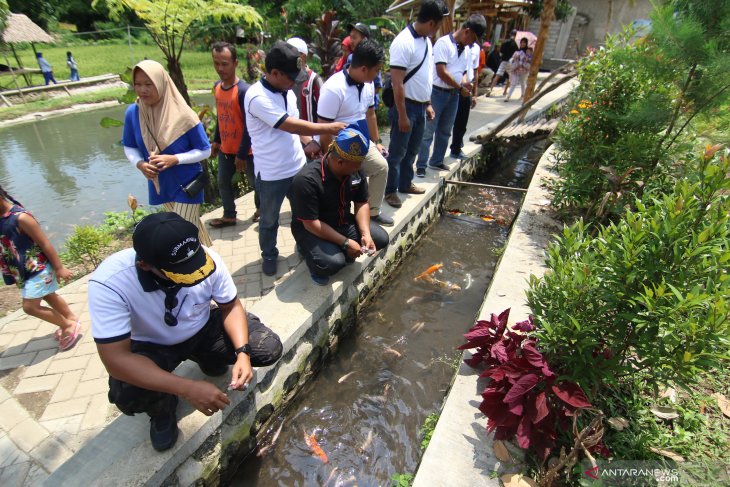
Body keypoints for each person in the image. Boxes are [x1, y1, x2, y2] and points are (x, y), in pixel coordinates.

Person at [89, 212, 283, 452]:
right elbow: (116, 359)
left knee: (267, 347)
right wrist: (186, 388)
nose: (194, 273)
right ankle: (162, 407)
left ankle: (207, 355)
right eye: (182, 272)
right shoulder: (110, 283)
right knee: (127, 395)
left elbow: (230, 306)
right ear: (145, 265)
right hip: (152, 345)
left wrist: (242, 352)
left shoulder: (204, 256)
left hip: (202, 326)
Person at [244, 41, 346, 277]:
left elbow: (298, 126)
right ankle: (269, 254)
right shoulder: (256, 96)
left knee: (303, 215)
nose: (294, 82)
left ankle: (304, 246)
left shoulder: (287, 92)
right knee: (269, 220)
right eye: (290, 77)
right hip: (271, 173)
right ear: (274, 73)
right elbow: (288, 124)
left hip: (297, 166)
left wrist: (310, 142)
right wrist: (327, 128)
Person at [122, 60, 213, 247]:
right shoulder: (133, 112)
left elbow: (205, 150)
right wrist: (140, 164)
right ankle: (212, 260)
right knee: (189, 227)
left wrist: (175, 159)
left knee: (179, 230)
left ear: (161, 83)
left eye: (148, 84)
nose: (142, 90)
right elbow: (129, 146)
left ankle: (196, 268)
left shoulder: (184, 114)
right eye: (137, 84)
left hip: (188, 184)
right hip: (161, 183)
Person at [290, 128, 389, 286]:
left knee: (381, 239)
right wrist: (345, 243)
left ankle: (338, 247)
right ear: (340, 162)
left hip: (342, 221)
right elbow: (310, 223)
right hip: (312, 229)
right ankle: (308, 254)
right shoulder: (306, 180)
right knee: (333, 263)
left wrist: (365, 234)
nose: (358, 170)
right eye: (355, 166)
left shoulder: (355, 170)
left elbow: (361, 202)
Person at [317, 39, 393, 227]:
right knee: (339, 182)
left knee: (381, 167)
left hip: (362, 142)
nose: (378, 75)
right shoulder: (333, 88)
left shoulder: (367, 84)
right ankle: (337, 220)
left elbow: (370, 114)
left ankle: (373, 213)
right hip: (339, 148)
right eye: (377, 70)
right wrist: (329, 158)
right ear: (365, 69)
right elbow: (324, 128)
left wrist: (376, 141)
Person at [384, 0, 449, 209]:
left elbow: (424, 75)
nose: (437, 30)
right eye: (438, 25)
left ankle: (404, 183)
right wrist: (402, 115)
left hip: (420, 107)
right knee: (396, 152)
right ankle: (390, 190)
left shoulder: (427, 41)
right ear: (431, 23)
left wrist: (428, 103)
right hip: (406, 107)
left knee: (412, 150)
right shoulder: (404, 42)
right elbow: (397, 83)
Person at [0, 185, 81, 351]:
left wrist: (59, 268)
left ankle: (67, 325)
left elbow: (44, 242)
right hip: (23, 270)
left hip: (38, 268)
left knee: (30, 307)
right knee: (48, 296)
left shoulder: (20, 218)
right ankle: (72, 318)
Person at [416, 14, 486, 177]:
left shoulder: (467, 50)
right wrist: (460, 86)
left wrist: (464, 83)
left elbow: (459, 71)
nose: (473, 43)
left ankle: (437, 160)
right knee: (428, 130)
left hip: (454, 94)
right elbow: (441, 72)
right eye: (474, 38)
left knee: (445, 130)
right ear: (467, 31)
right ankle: (421, 164)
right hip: (437, 92)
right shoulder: (443, 43)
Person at [209, 42, 258, 227]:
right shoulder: (217, 87)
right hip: (226, 148)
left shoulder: (244, 91)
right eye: (216, 63)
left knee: (255, 182)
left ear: (235, 63)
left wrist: (242, 153)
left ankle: (260, 209)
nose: (220, 68)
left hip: (247, 150)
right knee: (223, 182)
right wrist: (216, 140)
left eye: (224, 63)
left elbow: (249, 125)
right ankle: (229, 215)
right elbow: (221, 117)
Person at [449, 39, 482, 160]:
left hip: (467, 88)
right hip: (456, 87)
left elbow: (475, 70)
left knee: (462, 122)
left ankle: (456, 148)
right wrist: (461, 86)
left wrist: (474, 94)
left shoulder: (476, 49)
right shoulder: (458, 47)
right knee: (446, 124)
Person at [286, 37, 323, 129]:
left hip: (311, 136)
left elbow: (324, 110)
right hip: (290, 134)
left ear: (302, 56)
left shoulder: (314, 80)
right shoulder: (284, 77)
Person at [488, 30, 518, 94]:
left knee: (497, 75)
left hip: (504, 60)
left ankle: (490, 90)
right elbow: (516, 53)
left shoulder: (505, 42)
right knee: (510, 77)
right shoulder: (516, 44)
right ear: (516, 35)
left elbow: (501, 51)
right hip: (510, 61)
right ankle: (505, 91)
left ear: (510, 34)